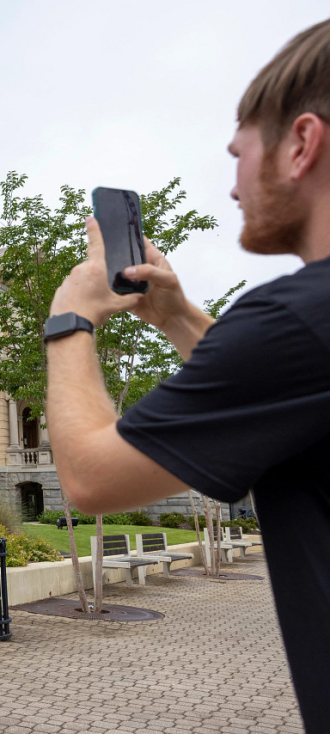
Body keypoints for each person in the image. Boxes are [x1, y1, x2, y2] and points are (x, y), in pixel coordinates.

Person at [43, 20, 330, 730]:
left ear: (300, 144)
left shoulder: (296, 319)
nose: (232, 182)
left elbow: (90, 477)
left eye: (239, 152)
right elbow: (261, 397)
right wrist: (174, 315)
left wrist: (71, 316)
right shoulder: (308, 333)